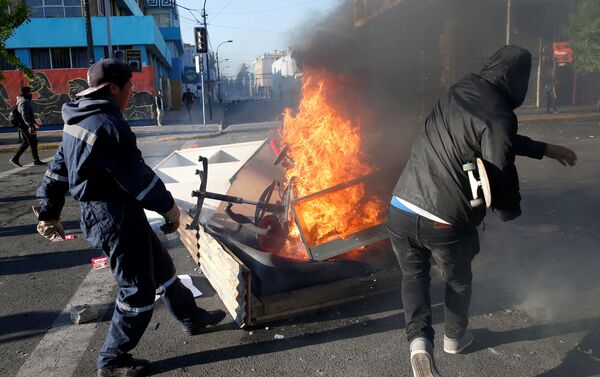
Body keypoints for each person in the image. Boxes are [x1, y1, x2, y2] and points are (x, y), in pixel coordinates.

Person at [386, 45, 577, 377]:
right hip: (444, 220)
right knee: (458, 279)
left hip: (400, 208)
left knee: (413, 275)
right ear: (519, 82)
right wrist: (508, 212)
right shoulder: (500, 116)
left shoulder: (459, 91)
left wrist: (545, 149)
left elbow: (497, 137)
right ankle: (455, 340)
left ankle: (420, 345)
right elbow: (500, 165)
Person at [35, 59, 226, 377]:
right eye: (129, 87)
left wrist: (48, 212)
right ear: (113, 88)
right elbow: (137, 177)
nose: (132, 92)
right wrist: (169, 208)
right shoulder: (108, 126)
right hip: (114, 216)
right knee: (136, 290)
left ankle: (191, 317)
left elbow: (57, 171)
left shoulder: (77, 120)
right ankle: (111, 360)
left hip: (111, 213)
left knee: (162, 266)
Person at [9, 86, 45, 167]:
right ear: (26, 93)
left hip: (25, 125)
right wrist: (30, 126)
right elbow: (25, 116)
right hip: (24, 125)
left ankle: (36, 160)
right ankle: (15, 158)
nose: (31, 93)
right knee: (31, 142)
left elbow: (29, 115)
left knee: (30, 142)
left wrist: (34, 123)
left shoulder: (25, 101)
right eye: (29, 92)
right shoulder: (24, 102)